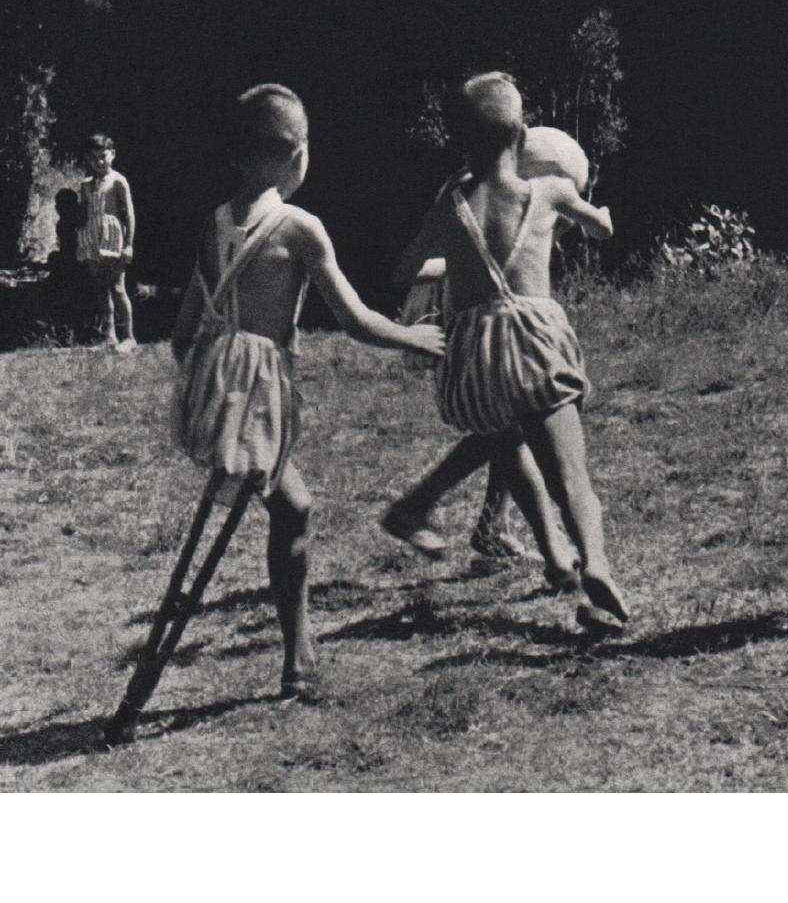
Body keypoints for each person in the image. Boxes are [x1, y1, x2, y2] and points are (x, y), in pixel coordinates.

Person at [171, 84, 445, 697]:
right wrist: (411, 337)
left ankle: (300, 652)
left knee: (292, 506)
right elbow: (351, 318)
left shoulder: (211, 225)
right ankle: (298, 658)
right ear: (299, 155)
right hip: (258, 397)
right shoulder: (299, 228)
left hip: (214, 387)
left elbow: (184, 329)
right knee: (292, 508)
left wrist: (206, 385)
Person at [387, 73, 628, 625]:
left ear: (460, 143)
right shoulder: (548, 192)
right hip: (533, 344)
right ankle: (595, 565)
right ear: (522, 137)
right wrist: (596, 218)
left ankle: (434, 511)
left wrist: (462, 262)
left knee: (506, 431)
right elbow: (602, 232)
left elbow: (403, 270)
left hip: (475, 358)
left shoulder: (449, 204)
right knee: (573, 474)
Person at [391, 125, 591, 569]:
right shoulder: (483, 197)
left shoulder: (484, 192)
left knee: (511, 424)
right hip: (479, 330)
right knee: (514, 422)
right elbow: (428, 264)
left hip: (491, 331)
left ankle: (496, 526)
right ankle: (421, 505)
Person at [76, 133, 136, 351]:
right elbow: (84, 213)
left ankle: (129, 336)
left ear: (113, 155)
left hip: (112, 239)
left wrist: (129, 244)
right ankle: (109, 336)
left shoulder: (118, 181)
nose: (99, 162)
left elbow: (129, 214)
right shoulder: (86, 184)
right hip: (92, 238)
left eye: (103, 156)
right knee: (100, 287)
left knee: (118, 287)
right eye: (94, 158)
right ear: (88, 160)